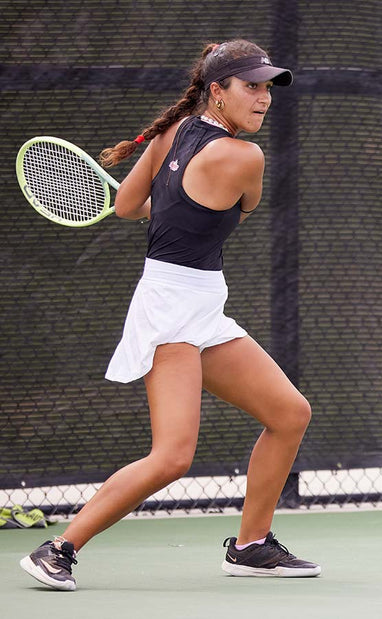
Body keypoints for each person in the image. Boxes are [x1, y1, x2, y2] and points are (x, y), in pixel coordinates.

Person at [19, 39, 320, 591]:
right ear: (217, 91)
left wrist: (176, 199)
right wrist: (184, 202)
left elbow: (126, 206)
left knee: (289, 413)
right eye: (250, 87)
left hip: (199, 303)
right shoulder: (244, 157)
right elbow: (238, 210)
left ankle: (252, 545)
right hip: (173, 311)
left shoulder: (166, 135)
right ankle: (57, 548)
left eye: (266, 87)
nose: (262, 99)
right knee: (173, 456)